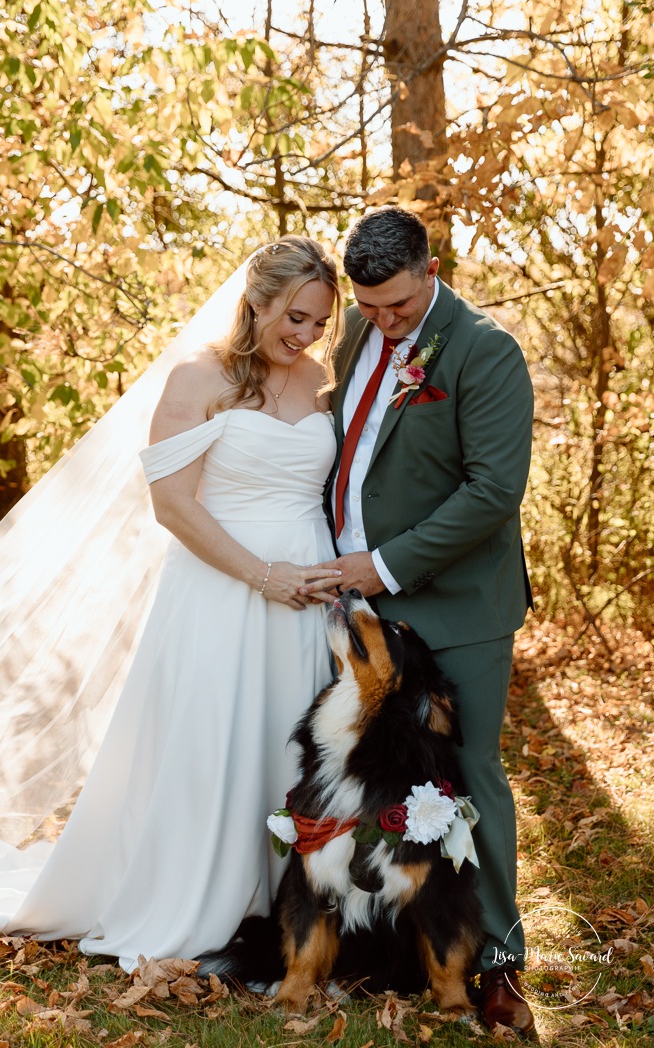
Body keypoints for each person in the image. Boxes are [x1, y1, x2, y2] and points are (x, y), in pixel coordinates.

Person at [0, 234, 343, 972]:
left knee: (288, 743)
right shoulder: (198, 377)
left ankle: (283, 908)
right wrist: (263, 575)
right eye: (294, 316)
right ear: (257, 302)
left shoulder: (320, 378)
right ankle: (195, 896)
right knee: (211, 743)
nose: (304, 335)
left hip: (309, 594)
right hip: (221, 589)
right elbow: (171, 505)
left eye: (318, 322)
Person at [301, 207, 536, 1037]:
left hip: (458, 604)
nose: (382, 322)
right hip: (358, 609)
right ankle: (384, 943)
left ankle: (499, 963)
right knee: (361, 773)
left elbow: (492, 490)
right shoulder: (355, 338)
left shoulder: (484, 350)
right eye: (368, 307)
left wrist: (385, 563)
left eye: (396, 306)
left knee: (469, 775)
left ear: (430, 271)